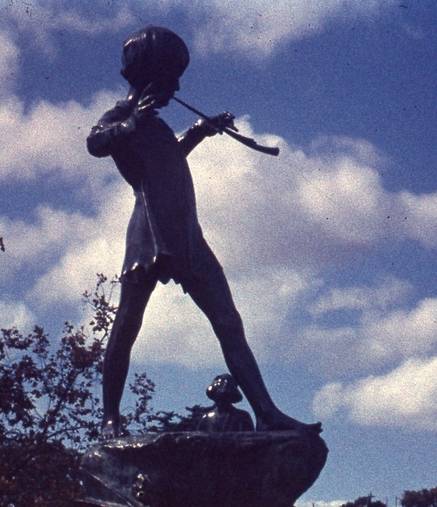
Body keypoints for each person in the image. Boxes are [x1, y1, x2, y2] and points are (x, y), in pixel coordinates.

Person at [87, 24, 301, 437]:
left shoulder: (160, 127)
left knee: (228, 321)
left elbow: (167, 160)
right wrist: (132, 124)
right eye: (172, 76)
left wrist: (200, 132)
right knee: (127, 324)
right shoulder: (122, 116)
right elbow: (96, 143)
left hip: (187, 236)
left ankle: (267, 413)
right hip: (149, 235)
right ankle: (110, 418)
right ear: (152, 75)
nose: (178, 85)